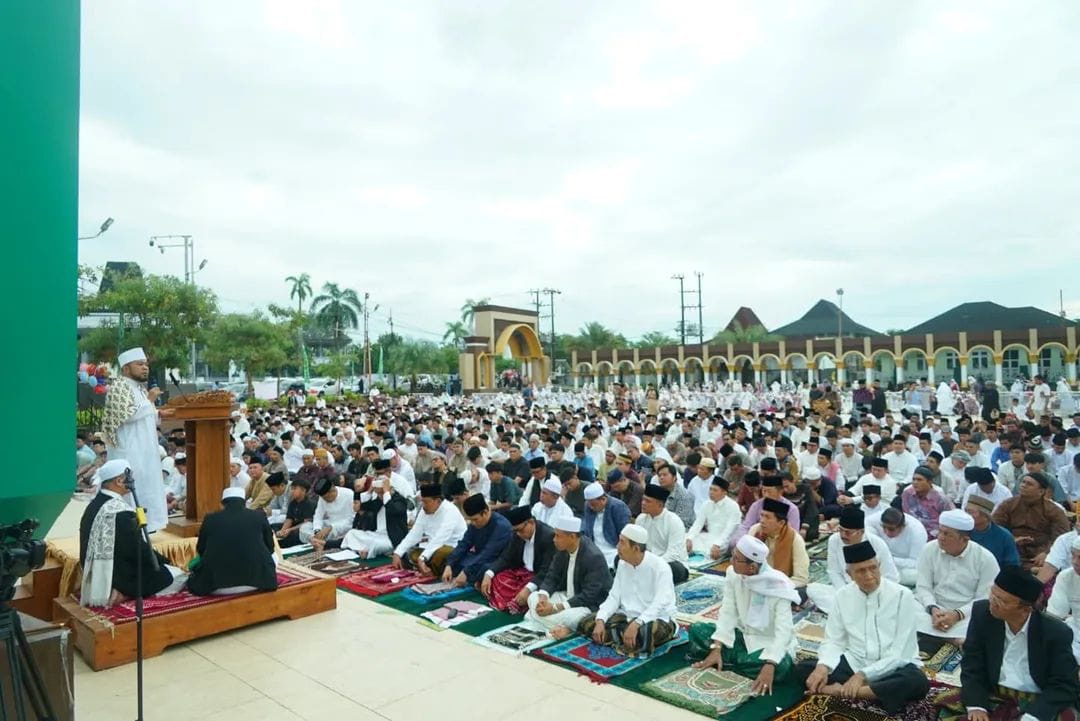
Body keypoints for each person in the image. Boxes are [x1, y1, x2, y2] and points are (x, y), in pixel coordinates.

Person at [796, 541, 929, 715]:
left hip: (893, 666)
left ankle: (844, 691)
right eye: (860, 571)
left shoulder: (902, 595)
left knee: (918, 681)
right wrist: (823, 667)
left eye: (873, 568)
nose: (869, 575)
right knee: (803, 669)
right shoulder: (842, 596)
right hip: (855, 661)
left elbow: (900, 654)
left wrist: (861, 676)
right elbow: (834, 640)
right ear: (849, 574)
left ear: (879, 565)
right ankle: (874, 691)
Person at [954, 566, 1080, 721]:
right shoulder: (983, 613)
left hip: (1038, 699)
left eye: (1002, 601)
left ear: (1026, 609)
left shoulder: (1055, 632)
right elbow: (972, 663)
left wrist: (1033, 716)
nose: (993, 603)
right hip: (994, 694)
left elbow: (1064, 685)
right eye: (993, 594)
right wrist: (976, 705)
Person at [688, 536, 800, 695]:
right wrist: (717, 647)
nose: (731, 561)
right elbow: (728, 611)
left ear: (753, 567)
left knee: (783, 666)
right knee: (697, 629)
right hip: (740, 636)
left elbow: (784, 631)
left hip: (766, 645)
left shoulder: (779, 586)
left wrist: (770, 664)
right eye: (733, 555)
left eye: (736, 559)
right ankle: (730, 660)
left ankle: (734, 662)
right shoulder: (733, 574)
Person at [79, 459, 187, 607]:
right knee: (178, 577)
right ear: (119, 481)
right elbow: (137, 549)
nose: (133, 481)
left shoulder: (94, 504)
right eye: (131, 477)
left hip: (96, 573)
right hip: (120, 575)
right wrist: (164, 561)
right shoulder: (120, 511)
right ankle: (124, 593)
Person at [100, 347, 174, 532]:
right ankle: (131, 529)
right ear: (126, 369)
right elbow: (126, 415)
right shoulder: (119, 387)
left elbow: (141, 413)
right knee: (132, 490)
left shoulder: (138, 389)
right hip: (129, 452)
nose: (145, 368)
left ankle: (147, 527)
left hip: (145, 451)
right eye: (139, 364)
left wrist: (158, 413)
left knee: (147, 488)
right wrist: (149, 400)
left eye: (146, 365)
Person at [581, 524, 679, 656]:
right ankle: (622, 636)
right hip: (626, 617)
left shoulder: (660, 567)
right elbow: (614, 597)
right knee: (587, 622)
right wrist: (601, 620)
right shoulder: (622, 564)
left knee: (645, 632)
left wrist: (638, 623)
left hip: (656, 619)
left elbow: (660, 603)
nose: (617, 546)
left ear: (636, 548)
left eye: (622, 543)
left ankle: (619, 636)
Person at [913, 509, 999, 642]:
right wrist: (933, 609)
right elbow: (923, 586)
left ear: (964, 539)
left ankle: (938, 636)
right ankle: (951, 639)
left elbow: (984, 597)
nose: (940, 537)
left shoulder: (985, 558)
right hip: (933, 609)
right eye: (940, 531)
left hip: (965, 614)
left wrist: (957, 614)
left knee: (986, 618)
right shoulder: (929, 549)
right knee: (907, 605)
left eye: (947, 534)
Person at [526, 515, 612, 639]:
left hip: (587, 605)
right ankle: (560, 626)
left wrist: (555, 608)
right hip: (567, 596)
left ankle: (563, 627)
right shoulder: (562, 548)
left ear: (572, 537)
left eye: (558, 536)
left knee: (574, 618)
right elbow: (552, 576)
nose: (554, 539)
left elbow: (588, 596)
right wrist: (543, 598)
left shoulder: (593, 557)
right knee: (533, 597)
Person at [187, 487, 278, 596]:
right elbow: (270, 547)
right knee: (273, 556)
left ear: (223, 504)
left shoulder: (210, 518)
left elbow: (201, 549)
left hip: (216, 586)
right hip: (257, 582)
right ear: (244, 503)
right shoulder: (259, 515)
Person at [808, 507, 898, 615]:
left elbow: (891, 577)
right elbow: (833, 571)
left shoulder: (877, 543)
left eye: (848, 532)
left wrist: (870, 594)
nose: (842, 535)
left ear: (861, 532)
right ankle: (855, 612)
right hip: (846, 589)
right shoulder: (834, 540)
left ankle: (852, 613)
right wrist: (846, 594)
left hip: (873, 591)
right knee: (812, 589)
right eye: (840, 530)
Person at [481, 506, 556, 614]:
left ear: (531, 522)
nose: (519, 534)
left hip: (537, 576)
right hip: (521, 573)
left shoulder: (548, 536)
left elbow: (546, 570)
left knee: (528, 591)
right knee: (498, 578)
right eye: (515, 531)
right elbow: (506, 557)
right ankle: (514, 602)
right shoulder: (518, 534)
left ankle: (516, 603)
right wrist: (489, 574)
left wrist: (528, 589)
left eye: (520, 530)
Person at [992, 472, 1070, 570]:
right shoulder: (1008, 504)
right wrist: (1012, 539)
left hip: (1041, 553)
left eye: (1029, 484)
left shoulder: (1054, 510)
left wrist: (1047, 553)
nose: (1023, 485)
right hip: (1012, 548)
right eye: (1023, 482)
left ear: (1041, 491)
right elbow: (995, 527)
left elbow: (1061, 538)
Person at [392, 483, 467, 578]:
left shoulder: (450, 511)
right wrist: (397, 553)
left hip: (452, 547)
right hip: (431, 547)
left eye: (426, 502)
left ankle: (434, 569)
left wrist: (423, 557)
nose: (423, 505)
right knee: (410, 553)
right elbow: (415, 533)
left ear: (438, 501)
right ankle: (429, 568)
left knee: (440, 554)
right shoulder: (424, 511)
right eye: (422, 502)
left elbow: (440, 538)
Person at [442, 494, 513, 587]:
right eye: (471, 520)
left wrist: (466, 572)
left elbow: (488, 553)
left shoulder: (501, 526)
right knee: (454, 560)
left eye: (475, 519)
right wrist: (449, 565)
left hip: (495, 560)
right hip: (478, 557)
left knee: (484, 569)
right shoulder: (474, 524)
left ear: (485, 512)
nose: (473, 523)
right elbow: (464, 544)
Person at [339, 477, 409, 559]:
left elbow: (392, 509)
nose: (379, 496)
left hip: (392, 538)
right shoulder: (380, 499)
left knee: (375, 544)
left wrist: (386, 492)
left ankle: (363, 551)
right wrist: (368, 492)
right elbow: (366, 505)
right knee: (352, 533)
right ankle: (360, 551)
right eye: (378, 494)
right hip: (377, 534)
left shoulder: (400, 500)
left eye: (381, 493)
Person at [749, 498, 810, 588]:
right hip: (756, 580)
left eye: (767, 517)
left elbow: (801, 578)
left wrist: (776, 587)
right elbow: (744, 561)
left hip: (783, 585)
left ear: (781, 523)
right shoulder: (755, 531)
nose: (762, 520)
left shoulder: (795, 539)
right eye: (762, 515)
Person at [635, 483, 690, 583]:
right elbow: (637, 546)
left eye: (648, 501)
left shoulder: (674, 521)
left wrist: (651, 565)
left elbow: (673, 554)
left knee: (673, 569)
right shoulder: (640, 519)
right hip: (647, 562)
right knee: (621, 560)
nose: (643, 503)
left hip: (670, 563)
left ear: (660, 505)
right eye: (643, 499)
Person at [731, 474, 800, 548]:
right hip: (756, 540)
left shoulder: (792, 509)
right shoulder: (757, 505)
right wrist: (740, 541)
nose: (766, 495)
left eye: (769, 491)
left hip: (779, 542)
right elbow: (746, 526)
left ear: (780, 492)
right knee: (734, 542)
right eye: (764, 491)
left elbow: (793, 533)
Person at [867, 507, 927, 587]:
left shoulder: (917, 532)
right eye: (883, 527)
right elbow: (865, 523)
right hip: (880, 558)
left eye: (891, 529)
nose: (886, 532)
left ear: (903, 526)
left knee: (917, 575)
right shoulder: (878, 517)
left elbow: (916, 562)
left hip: (902, 566)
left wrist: (888, 559)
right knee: (867, 530)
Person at [686, 477, 741, 559]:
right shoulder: (706, 504)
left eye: (715, 490)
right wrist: (689, 538)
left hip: (725, 540)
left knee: (710, 549)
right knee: (685, 539)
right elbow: (698, 524)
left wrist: (717, 544)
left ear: (724, 493)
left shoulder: (733, 506)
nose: (711, 492)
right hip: (709, 536)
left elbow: (729, 530)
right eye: (710, 489)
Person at [1046, 535, 1080, 664]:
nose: (1075, 562)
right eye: (1073, 555)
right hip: (1075, 637)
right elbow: (1054, 616)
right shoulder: (1066, 576)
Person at [581, 481, 629, 569]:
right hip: (594, 547)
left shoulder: (618, 507)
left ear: (603, 499)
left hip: (613, 548)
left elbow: (624, 534)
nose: (591, 507)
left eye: (593, 504)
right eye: (589, 504)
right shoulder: (588, 506)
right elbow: (587, 530)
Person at [965, 496, 1020, 569]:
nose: (966, 515)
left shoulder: (1004, 536)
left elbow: (1012, 565)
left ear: (985, 516)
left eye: (971, 512)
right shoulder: (961, 531)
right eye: (966, 511)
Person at [901, 465, 955, 538]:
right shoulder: (907, 494)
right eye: (913, 479)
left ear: (929, 482)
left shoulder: (940, 498)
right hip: (911, 532)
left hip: (933, 536)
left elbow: (951, 519)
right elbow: (906, 515)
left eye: (919, 480)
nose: (915, 482)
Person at [300, 477, 356, 547]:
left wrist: (331, 527)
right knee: (305, 527)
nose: (325, 500)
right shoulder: (322, 498)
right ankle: (317, 540)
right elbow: (318, 516)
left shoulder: (349, 494)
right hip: (329, 524)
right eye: (324, 498)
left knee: (336, 533)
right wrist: (317, 531)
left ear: (332, 490)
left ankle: (317, 541)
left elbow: (351, 520)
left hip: (343, 527)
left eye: (327, 498)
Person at [275, 477, 314, 548]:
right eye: (291, 488)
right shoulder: (292, 503)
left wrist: (289, 530)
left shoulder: (309, 504)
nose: (291, 491)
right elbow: (289, 519)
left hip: (304, 528)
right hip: (293, 526)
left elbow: (307, 522)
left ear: (303, 490)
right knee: (274, 527)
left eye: (294, 489)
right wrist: (282, 531)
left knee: (291, 536)